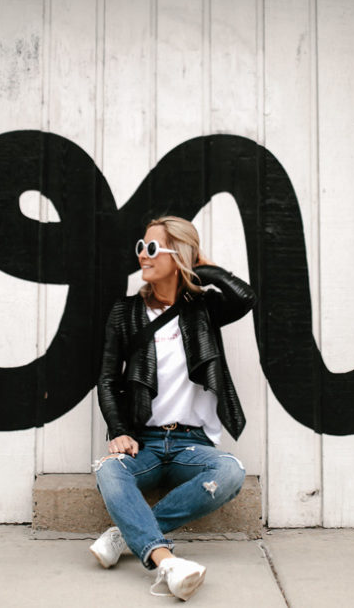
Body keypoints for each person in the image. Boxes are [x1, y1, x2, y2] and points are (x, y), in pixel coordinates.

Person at [90, 215, 255, 601]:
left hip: (189, 442)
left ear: (177, 254)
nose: (142, 257)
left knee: (230, 472)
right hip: (143, 442)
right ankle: (165, 561)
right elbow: (108, 378)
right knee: (108, 471)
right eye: (140, 248)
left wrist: (203, 267)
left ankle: (125, 535)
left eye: (151, 249)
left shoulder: (205, 309)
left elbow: (246, 297)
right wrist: (118, 430)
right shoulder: (125, 312)